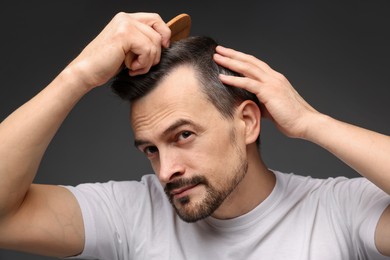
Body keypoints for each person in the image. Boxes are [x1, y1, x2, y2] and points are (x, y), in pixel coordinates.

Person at [0, 11, 389, 260]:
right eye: (151, 149)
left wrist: (310, 122)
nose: (167, 170)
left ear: (249, 122)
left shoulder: (337, 210)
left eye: (183, 135)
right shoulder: (130, 214)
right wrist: (78, 76)